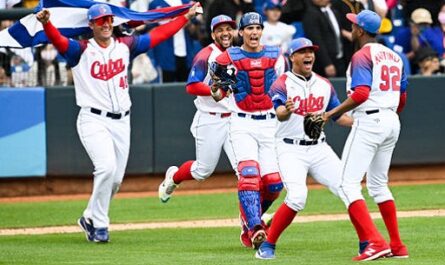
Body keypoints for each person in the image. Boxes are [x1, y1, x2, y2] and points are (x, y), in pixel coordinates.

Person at [36, 2, 200, 243]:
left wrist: (185, 17)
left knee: (114, 180)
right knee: (105, 168)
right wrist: (47, 23)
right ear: (90, 24)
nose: (106, 24)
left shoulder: (125, 46)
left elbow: (158, 35)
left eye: (109, 20)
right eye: (100, 21)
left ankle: (89, 216)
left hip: (122, 121)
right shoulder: (80, 50)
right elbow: (60, 42)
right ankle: (100, 226)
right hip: (93, 119)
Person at [255, 37, 353, 260]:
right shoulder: (282, 83)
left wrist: (360, 122)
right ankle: (268, 245)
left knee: (349, 189)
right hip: (290, 149)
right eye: (302, 51)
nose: (308, 55)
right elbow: (279, 113)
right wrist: (287, 110)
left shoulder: (323, 84)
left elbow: (337, 116)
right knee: (298, 196)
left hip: (319, 148)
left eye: (311, 51)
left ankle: (369, 243)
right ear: (292, 57)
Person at [322, 10, 408, 261]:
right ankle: (397, 245)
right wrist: (389, 115)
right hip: (391, 119)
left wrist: (331, 114)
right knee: (379, 185)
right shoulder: (395, 56)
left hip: (370, 118)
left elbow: (360, 94)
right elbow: (401, 97)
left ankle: (377, 242)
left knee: (346, 184)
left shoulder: (362, 55)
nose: (353, 29)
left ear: (360, 31)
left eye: (355, 26)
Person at [211, 12, 286, 249]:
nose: (254, 32)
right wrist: (215, 90)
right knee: (250, 174)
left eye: (258, 28)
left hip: (269, 121)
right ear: (240, 32)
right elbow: (218, 93)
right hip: (242, 121)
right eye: (249, 28)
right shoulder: (227, 58)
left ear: (262, 31)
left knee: (274, 183)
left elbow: (283, 88)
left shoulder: (276, 55)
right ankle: (255, 227)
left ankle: (248, 217)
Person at [158, 15, 237, 202]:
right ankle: (174, 177)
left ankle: (252, 220)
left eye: (228, 29)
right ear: (212, 34)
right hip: (210, 118)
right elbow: (191, 86)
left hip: (234, 118)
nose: (225, 33)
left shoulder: (238, 53)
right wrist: (213, 90)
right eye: (220, 30)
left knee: (244, 170)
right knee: (203, 171)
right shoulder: (206, 55)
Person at [303, 0, 346, 78]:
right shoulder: (310, 14)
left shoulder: (334, 11)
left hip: (340, 59)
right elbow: (316, 40)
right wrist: (327, 63)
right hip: (324, 63)